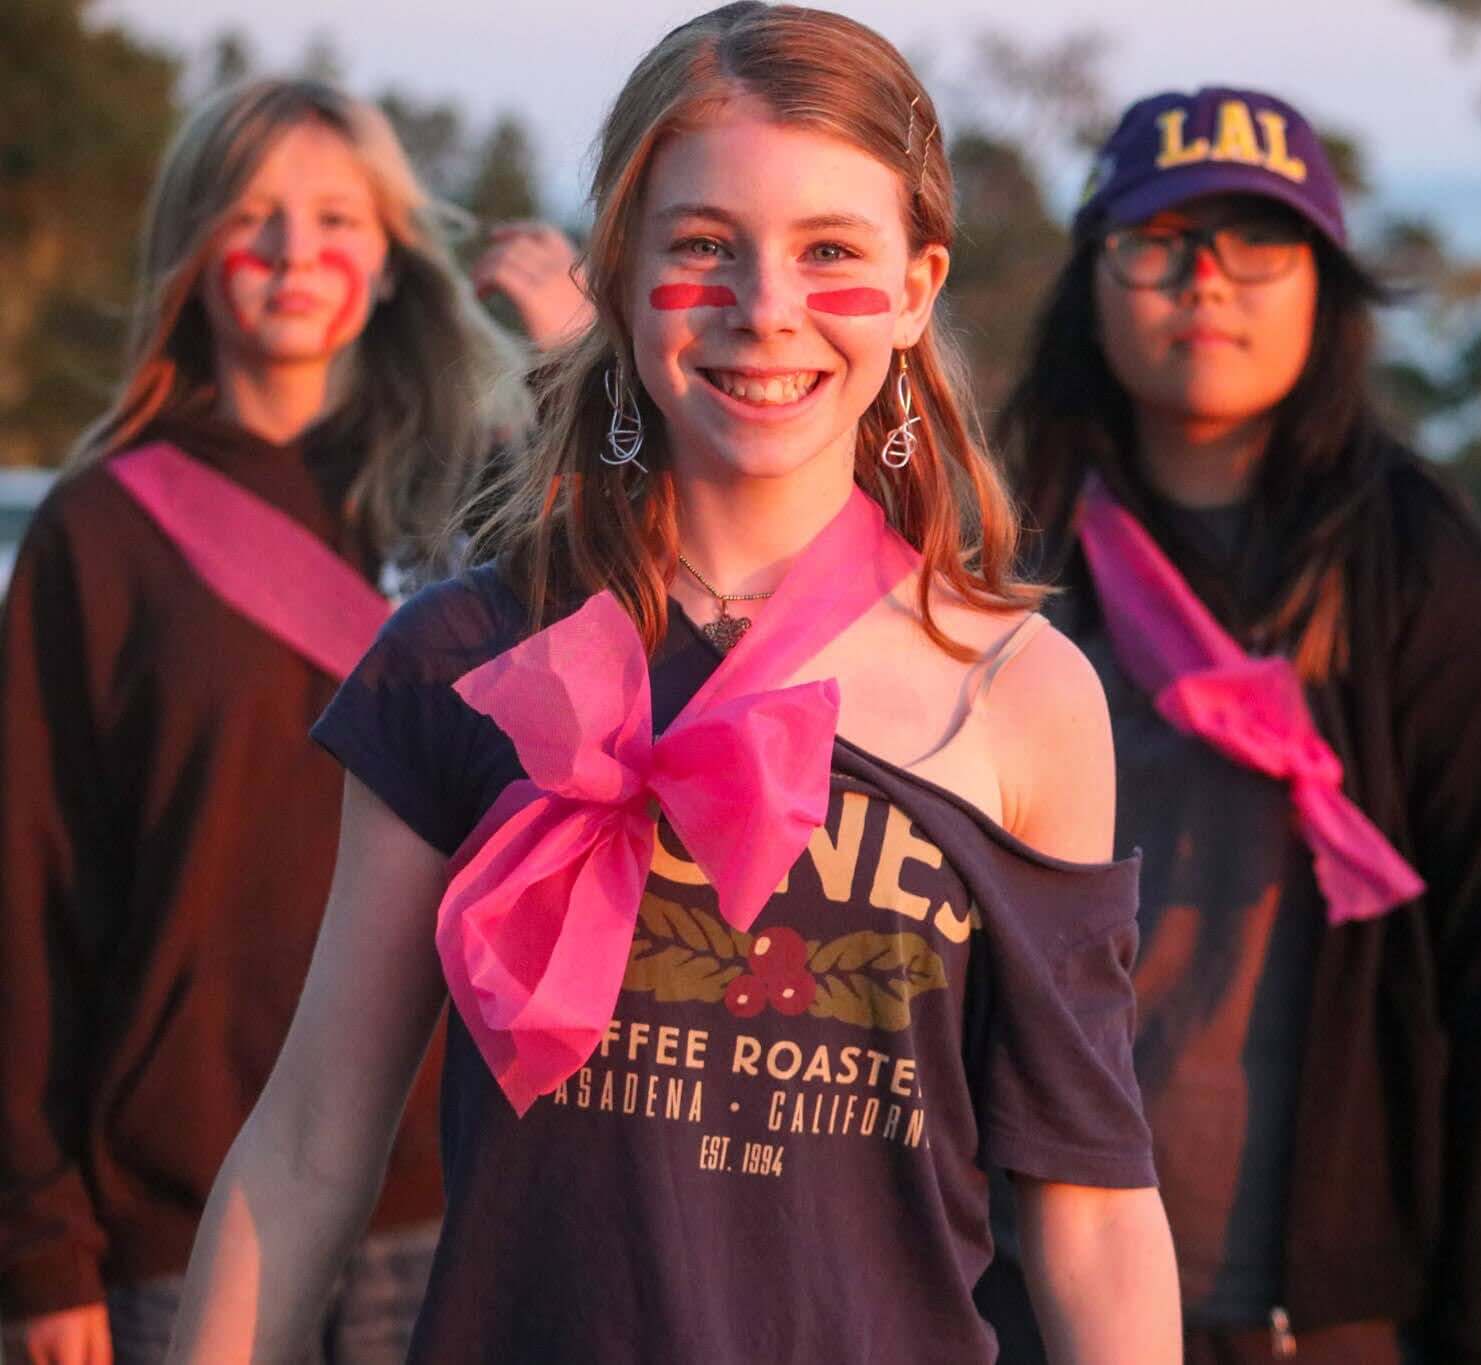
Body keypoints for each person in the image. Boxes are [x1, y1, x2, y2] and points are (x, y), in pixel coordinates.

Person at [167, 7, 1180, 1363]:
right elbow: (307, 1147)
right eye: (703, 245)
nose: (765, 308)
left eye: (831, 251)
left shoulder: (1017, 687)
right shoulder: (464, 657)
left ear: (916, 286)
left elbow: (1091, 1206)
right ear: (618, 272)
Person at [977, 87, 1481, 1364]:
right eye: (1157, 241)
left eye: (1257, 241)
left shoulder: (1418, 572)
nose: (1206, 280)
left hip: (1316, 1316)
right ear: (1090, 281)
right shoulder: (992, 558)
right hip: (1014, 1291)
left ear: (1325, 287)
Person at [0, 79, 541, 1365]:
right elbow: (25, 898)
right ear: (193, 249)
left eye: (337, 219)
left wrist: (571, 347)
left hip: (455, 1199)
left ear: (392, 258)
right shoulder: (98, 531)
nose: (296, 253)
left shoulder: (485, 502)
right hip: (179, 1220)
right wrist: (38, 1242)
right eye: (252, 217)